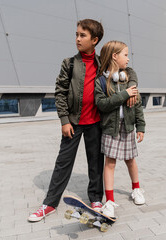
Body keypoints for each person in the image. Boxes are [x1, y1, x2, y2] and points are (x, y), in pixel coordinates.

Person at [28, 19, 105, 222]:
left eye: (83, 35)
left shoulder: (102, 64)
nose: (77, 39)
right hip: (74, 122)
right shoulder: (69, 63)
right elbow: (60, 92)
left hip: (96, 122)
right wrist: (64, 120)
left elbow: (122, 77)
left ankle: (96, 199)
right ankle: (50, 203)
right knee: (63, 163)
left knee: (96, 163)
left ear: (94, 40)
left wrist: (132, 91)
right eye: (77, 34)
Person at [94, 41, 146, 218]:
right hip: (110, 128)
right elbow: (102, 104)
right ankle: (109, 200)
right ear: (114, 56)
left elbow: (137, 104)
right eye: (125, 54)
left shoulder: (128, 79)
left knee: (131, 160)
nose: (128, 58)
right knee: (110, 163)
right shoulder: (101, 81)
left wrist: (141, 125)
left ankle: (136, 189)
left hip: (128, 126)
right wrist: (124, 95)